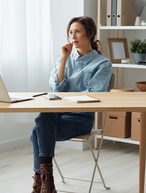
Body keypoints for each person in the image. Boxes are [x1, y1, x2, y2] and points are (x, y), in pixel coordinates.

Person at [30, 16, 112, 193]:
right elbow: (54, 89)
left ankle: (41, 182)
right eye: (70, 33)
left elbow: (93, 95)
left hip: (81, 117)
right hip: (58, 114)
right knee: (44, 118)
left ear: (89, 34)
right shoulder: (65, 59)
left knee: (37, 132)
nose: (72, 37)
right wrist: (64, 59)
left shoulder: (102, 64)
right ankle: (47, 182)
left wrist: (64, 99)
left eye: (77, 32)